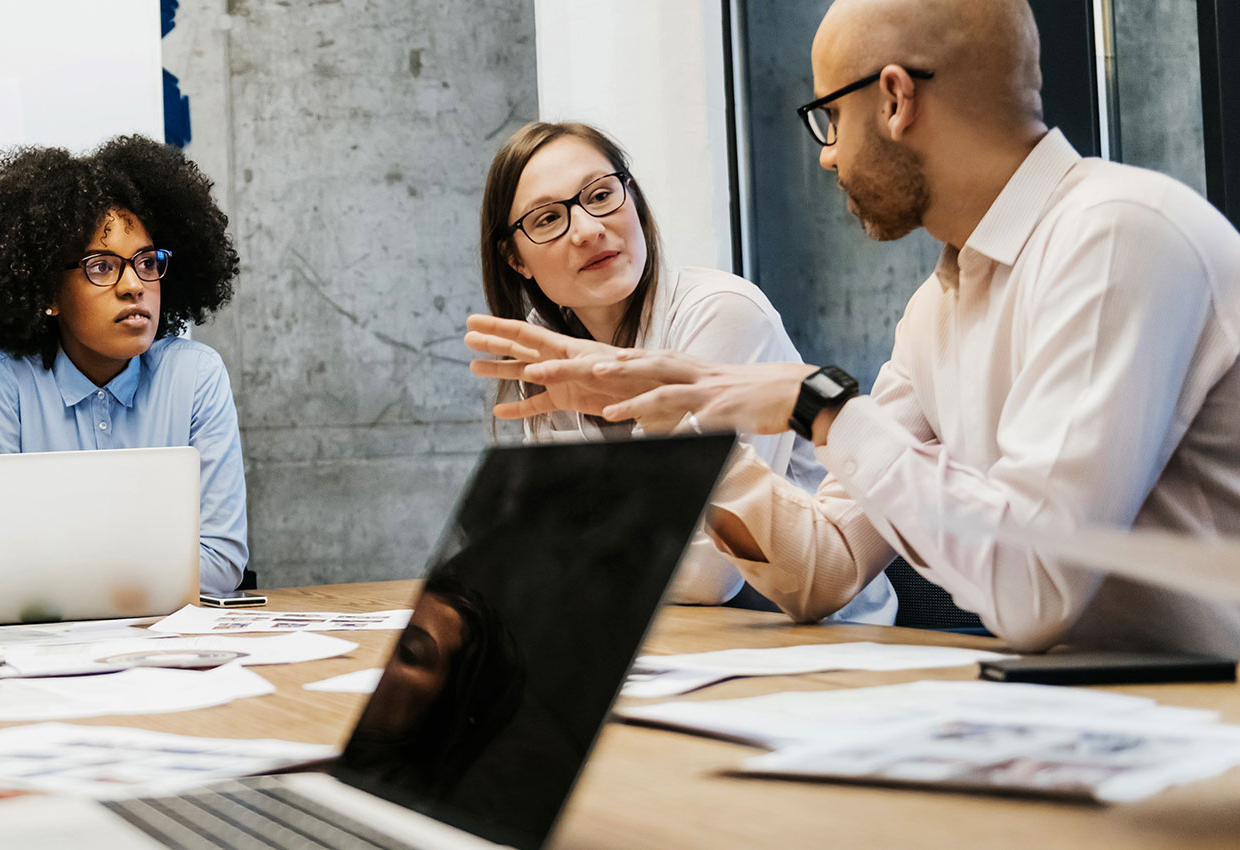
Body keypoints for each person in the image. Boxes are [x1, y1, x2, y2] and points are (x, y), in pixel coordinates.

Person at [465, 0, 1240, 654]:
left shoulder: (1114, 233)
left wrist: (816, 404)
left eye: (827, 117)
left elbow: (1032, 589)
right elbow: (821, 573)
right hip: (1100, 717)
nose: (827, 156)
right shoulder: (937, 308)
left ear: (895, 99)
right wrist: (689, 415)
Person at [477, 120, 894, 622]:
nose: (589, 228)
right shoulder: (542, 345)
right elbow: (533, 549)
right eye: (546, 220)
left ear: (632, 197)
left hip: (817, 639)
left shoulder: (721, 312)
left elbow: (710, 572)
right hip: (668, 638)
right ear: (515, 259)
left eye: (602, 194)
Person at [0, 135, 250, 594]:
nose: (134, 285)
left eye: (146, 262)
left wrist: (58, 570)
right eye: (103, 267)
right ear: (48, 292)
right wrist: (143, 567)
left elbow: (222, 562)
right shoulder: (5, 384)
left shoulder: (194, 377)